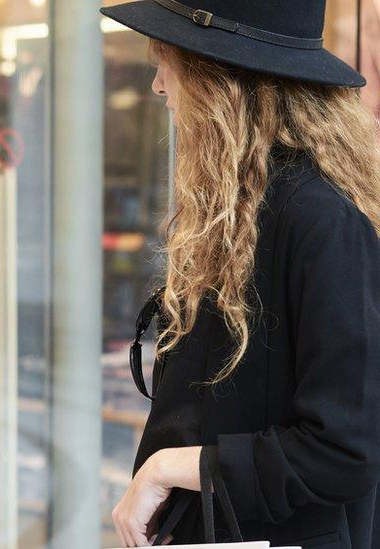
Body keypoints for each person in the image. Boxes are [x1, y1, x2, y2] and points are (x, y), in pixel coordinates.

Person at [101, 0, 380, 547]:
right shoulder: (247, 208)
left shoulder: (319, 220)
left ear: (220, 78)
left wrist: (168, 469)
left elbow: (344, 451)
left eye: (166, 60)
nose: (159, 86)